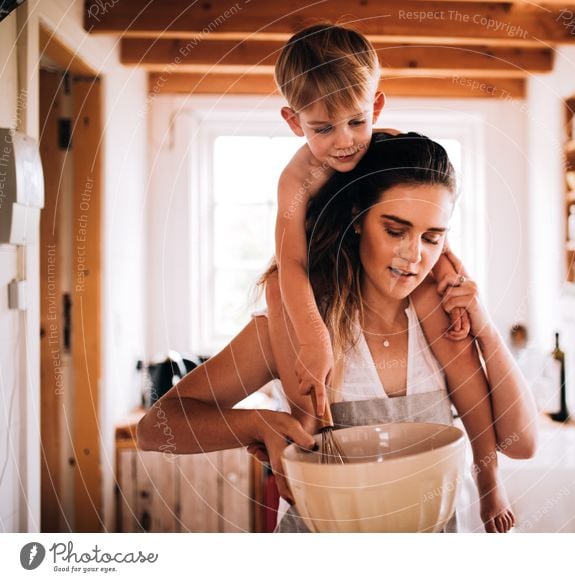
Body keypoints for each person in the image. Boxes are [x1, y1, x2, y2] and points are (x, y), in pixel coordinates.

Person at [137, 133, 538, 532]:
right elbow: (156, 428)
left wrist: (482, 321)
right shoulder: (296, 326)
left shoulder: (439, 315)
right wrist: (257, 424)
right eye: (396, 230)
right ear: (356, 217)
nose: (414, 256)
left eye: (433, 237)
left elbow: (521, 443)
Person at [263, 23, 520, 530]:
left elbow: (429, 225)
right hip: (325, 282)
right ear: (294, 122)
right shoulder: (296, 179)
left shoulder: (389, 147)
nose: (344, 143)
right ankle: (308, 494)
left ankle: (491, 483)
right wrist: (315, 338)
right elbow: (288, 263)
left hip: (380, 280)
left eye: (356, 122)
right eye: (323, 128)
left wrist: (455, 285)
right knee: (309, 390)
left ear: (376, 107)